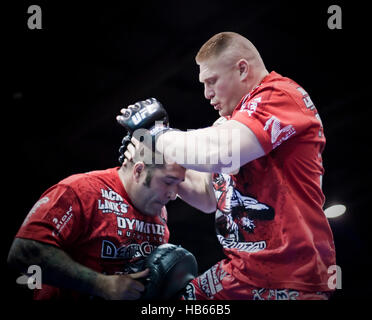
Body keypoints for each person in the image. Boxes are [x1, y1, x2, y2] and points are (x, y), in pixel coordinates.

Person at [118, 32, 336, 300]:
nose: (207, 94)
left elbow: (220, 152)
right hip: (239, 274)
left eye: (212, 81)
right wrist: (149, 152)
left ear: (242, 69)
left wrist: (157, 133)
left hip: (290, 278)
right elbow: (208, 195)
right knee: (157, 296)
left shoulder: (280, 96)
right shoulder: (229, 124)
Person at [7, 139, 186, 300]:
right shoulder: (80, 190)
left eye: (179, 183)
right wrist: (101, 284)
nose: (173, 194)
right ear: (138, 171)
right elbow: (24, 252)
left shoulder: (159, 211)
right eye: (168, 182)